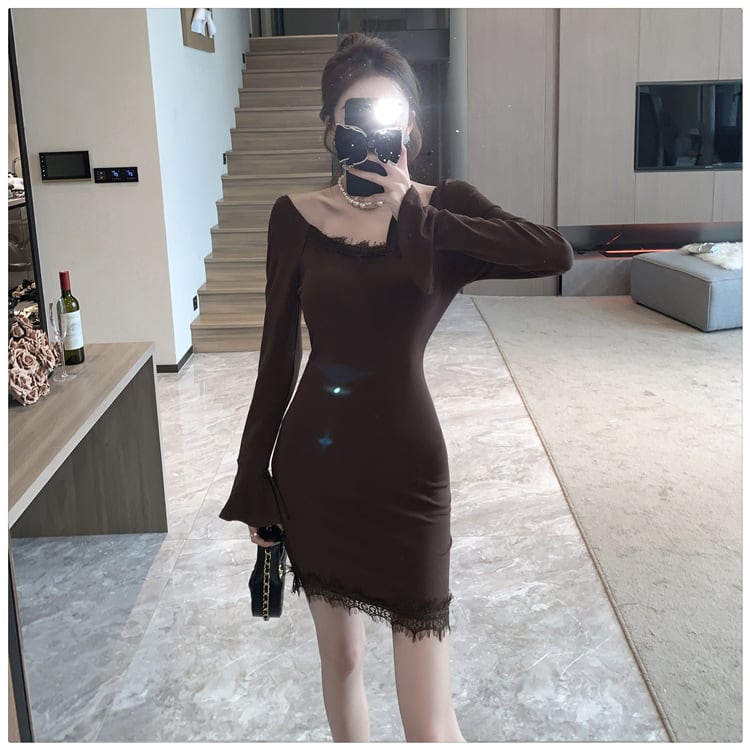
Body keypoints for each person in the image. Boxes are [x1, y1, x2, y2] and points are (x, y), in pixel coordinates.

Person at [220, 32, 573, 742]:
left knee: (429, 721)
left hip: (408, 473)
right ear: (331, 125)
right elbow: (277, 357)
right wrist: (253, 478)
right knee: (343, 661)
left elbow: (554, 252)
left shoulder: (442, 211)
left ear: (410, 123)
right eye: (356, 114)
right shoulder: (294, 215)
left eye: (391, 114)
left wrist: (419, 212)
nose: (374, 130)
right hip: (315, 470)